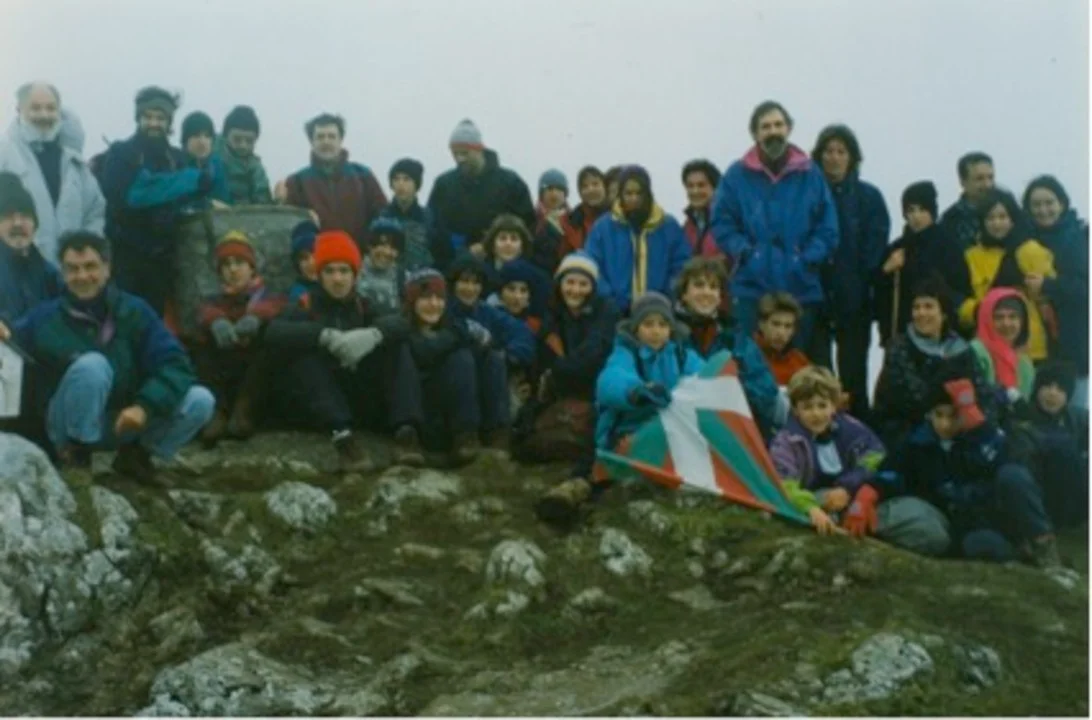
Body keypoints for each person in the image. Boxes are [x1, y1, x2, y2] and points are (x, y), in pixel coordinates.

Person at [0, 231, 214, 484]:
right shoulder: (44, 317)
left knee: (200, 400)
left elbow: (176, 364)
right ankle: (76, 458)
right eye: (72, 269)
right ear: (63, 273)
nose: (82, 276)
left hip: (123, 419)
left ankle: (137, 458)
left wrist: (145, 406)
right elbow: (11, 337)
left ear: (107, 269)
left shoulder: (135, 311)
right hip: (66, 425)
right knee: (93, 365)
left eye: (90, 266)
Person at [263, 230, 423, 471]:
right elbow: (273, 331)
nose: (337, 279)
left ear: (354, 274)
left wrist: (374, 334)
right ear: (319, 275)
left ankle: (406, 433)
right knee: (302, 354)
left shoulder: (363, 305)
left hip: (359, 395)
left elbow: (402, 324)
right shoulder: (305, 306)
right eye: (329, 271)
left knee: (397, 347)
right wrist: (322, 335)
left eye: (344, 271)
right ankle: (343, 438)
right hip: (321, 404)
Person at [536, 292, 703, 520]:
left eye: (663, 324)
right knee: (597, 469)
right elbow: (610, 381)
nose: (656, 331)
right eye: (648, 324)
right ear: (636, 328)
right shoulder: (625, 353)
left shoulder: (683, 356)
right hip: (626, 431)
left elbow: (705, 378)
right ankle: (571, 492)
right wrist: (636, 391)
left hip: (669, 433)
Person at [770, 366, 950, 552]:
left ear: (833, 406)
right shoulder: (785, 443)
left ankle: (868, 530)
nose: (816, 414)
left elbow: (876, 460)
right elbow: (785, 485)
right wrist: (811, 508)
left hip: (856, 498)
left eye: (822, 405)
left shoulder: (850, 428)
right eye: (807, 407)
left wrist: (848, 489)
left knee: (929, 529)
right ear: (796, 410)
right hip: (816, 503)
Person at [894, 370, 1060, 567]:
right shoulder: (919, 444)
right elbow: (893, 471)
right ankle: (1022, 555)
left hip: (998, 511)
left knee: (1012, 475)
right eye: (939, 415)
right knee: (981, 544)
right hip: (966, 524)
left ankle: (1043, 544)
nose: (945, 424)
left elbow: (1012, 463)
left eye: (953, 416)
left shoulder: (981, 434)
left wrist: (979, 428)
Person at [710, 100, 839, 351]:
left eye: (778, 125)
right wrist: (747, 253)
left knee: (799, 364)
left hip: (801, 287)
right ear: (755, 133)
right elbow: (722, 222)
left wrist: (806, 258)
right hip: (751, 288)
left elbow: (828, 227)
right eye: (766, 126)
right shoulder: (736, 175)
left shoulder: (810, 174)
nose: (773, 131)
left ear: (789, 128)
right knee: (749, 362)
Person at [99, 86, 217, 316]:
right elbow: (134, 195)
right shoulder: (121, 154)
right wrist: (190, 180)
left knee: (158, 322)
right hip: (126, 258)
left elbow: (195, 198)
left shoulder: (177, 159)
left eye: (160, 118)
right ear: (138, 118)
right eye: (148, 117)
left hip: (165, 260)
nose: (154, 123)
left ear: (169, 122)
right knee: (124, 320)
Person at [810, 124, 890, 419]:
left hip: (855, 299)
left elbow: (876, 246)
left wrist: (860, 283)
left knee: (854, 376)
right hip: (816, 295)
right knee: (819, 376)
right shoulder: (808, 196)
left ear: (852, 157)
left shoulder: (869, 197)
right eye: (828, 151)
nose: (834, 158)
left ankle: (860, 435)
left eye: (841, 151)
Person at [530, 253, 618, 487]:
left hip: (595, 383)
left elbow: (594, 352)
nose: (575, 290)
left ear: (592, 287)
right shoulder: (553, 314)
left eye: (583, 284)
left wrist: (558, 370)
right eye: (569, 282)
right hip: (564, 384)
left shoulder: (606, 311)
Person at [873, 277, 993, 448]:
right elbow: (915, 398)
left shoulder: (961, 349)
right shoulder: (899, 348)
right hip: (908, 432)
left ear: (943, 313)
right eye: (916, 307)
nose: (921, 313)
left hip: (957, 428)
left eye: (928, 306)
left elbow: (981, 392)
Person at [194, 231, 285, 445]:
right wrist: (216, 320)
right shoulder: (214, 300)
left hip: (253, 377)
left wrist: (256, 317)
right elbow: (202, 311)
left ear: (252, 268)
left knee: (271, 344)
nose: (233, 269)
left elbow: (277, 305)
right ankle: (216, 412)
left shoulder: (265, 295)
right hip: (223, 370)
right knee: (200, 346)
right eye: (226, 264)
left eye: (239, 262)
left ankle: (244, 411)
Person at [673, 257, 779, 437]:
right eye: (699, 285)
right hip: (680, 430)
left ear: (720, 296)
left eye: (713, 287)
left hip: (729, 431)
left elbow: (766, 391)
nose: (706, 292)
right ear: (684, 293)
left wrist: (730, 389)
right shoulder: (667, 334)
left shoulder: (736, 338)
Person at [0, 82, 105, 263]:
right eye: (36, 108)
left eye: (50, 108)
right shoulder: (5, 156)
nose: (44, 115)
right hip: (15, 268)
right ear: (19, 110)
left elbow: (94, 212)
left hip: (71, 270)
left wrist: (85, 252)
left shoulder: (75, 164)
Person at [957, 189, 1054, 362]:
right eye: (990, 218)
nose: (997, 223)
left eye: (1002, 217)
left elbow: (1053, 294)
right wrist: (978, 309)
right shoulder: (971, 256)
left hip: (1030, 347)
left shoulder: (1030, 250)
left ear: (1012, 219)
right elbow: (961, 301)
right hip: (988, 346)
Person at [400, 268, 485, 464]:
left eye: (439, 298)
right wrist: (456, 335)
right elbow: (423, 351)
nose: (434, 304)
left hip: (446, 418)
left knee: (466, 358)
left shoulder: (452, 328)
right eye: (426, 298)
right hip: (418, 416)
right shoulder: (401, 329)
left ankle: (468, 435)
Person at [446, 255, 533, 448]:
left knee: (495, 358)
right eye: (464, 281)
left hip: (485, 380)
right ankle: (465, 435)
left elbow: (523, 335)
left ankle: (498, 433)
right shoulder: (442, 309)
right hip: (451, 381)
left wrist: (509, 356)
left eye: (476, 283)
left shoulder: (486, 312)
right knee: (463, 358)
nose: (470, 288)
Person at [427, 119, 535, 270]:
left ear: (479, 150)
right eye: (455, 154)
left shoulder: (510, 183)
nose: (460, 159)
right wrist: (462, 252)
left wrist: (489, 245)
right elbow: (434, 227)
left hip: (503, 268)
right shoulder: (444, 185)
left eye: (465, 153)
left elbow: (527, 224)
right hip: (456, 268)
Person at [584, 165, 691, 314]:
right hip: (614, 311)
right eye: (628, 193)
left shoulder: (668, 226)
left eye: (639, 193)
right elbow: (592, 265)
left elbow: (681, 265)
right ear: (620, 194)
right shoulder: (604, 227)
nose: (633, 198)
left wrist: (667, 296)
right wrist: (609, 299)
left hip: (659, 311)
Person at [1022, 176, 1089, 408]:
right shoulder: (1023, 240)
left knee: (1074, 416)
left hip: (1073, 345)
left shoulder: (1079, 237)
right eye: (1036, 205)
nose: (1043, 210)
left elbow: (1084, 289)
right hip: (1036, 347)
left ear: (1062, 203)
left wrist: (1047, 285)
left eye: (1049, 202)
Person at [874, 181, 968, 346]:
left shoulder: (949, 246)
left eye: (922, 210)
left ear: (932, 211)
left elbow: (961, 288)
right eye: (911, 210)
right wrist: (885, 271)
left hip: (941, 334)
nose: (916, 216)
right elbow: (880, 296)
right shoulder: (897, 248)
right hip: (901, 334)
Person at [279, 113, 388, 248]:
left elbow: (382, 216)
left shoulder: (363, 176)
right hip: (317, 258)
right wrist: (280, 203)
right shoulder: (297, 182)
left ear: (340, 140)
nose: (326, 142)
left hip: (360, 257)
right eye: (320, 137)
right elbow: (289, 226)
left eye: (331, 136)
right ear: (311, 142)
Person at [1008, 362, 1088, 529]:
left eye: (1060, 389)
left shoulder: (1074, 417)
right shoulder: (1021, 423)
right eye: (1047, 386)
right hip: (1045, 499)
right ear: (1037, 389)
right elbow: (1026, 468)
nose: (1053, 393)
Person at [0, 173, 63, 324]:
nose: (17, 223)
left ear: (35, 224)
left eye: (25, 215)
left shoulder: (50, 274)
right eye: (8, 216)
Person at [970, 287, 1036, 407]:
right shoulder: (975, 351)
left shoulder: (1024, 361)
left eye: (1013, 317)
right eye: (998, 317)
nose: (1006, 323)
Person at [379, 158, 435, 269]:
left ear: (416, 184)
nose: (400, 184)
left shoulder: (429, 218)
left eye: (406, 179)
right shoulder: (382, 218)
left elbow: (441, 253)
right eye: (396, 179)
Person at [216, 105, 273, 205]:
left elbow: (263, 203)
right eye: (237, 139)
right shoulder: (209, 158)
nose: (243, 146)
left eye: (249, 141)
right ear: (226, 136)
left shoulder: (256, 169)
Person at [939, 152, 995, 251]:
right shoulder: (951, 220)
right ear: (963, 182)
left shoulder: (1007, 213)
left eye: (990, 177)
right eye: (979, 179)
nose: (987, 184)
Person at [754, 292, 811, 388]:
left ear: (794, 330)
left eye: (788, 326)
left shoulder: (800, 362)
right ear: (761, 324)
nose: (781, 332)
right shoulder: (743, 358)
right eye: (776, 324)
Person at [355, 217, 406, 315]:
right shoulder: (353, 273)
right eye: (381, 245)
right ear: (370, 246)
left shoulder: (404, 278)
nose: (386, 252)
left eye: (393, 247)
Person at [179, 111, 230, 208]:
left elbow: (224, 201)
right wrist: (208, 204)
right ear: (185, 140)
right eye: (196, 136)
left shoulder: (217, 165)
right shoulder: (175, 165)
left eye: (207, 136)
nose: (202, 141)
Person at [558, 166, 609, 258]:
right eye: (585, 186)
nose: (591, 189)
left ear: (605, 187)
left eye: (595, 184)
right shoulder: (570, 222)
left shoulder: (617, 217)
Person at [680, 159, 725, 261]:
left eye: (701, 185)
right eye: (690, 186)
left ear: (715, 188)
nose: (695, 191)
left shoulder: (729, 222)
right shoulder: (686, 228)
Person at [532, 168, 569, 273]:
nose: (554, 194)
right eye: (549, 189)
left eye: (559, 189)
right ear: (541, 193)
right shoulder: (532, 219)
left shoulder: (575, 219)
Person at [288, 220, 319, 303]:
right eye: (304, 258)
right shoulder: (299, 296)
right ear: (297, 264)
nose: (311, 262)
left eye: (316, 255)